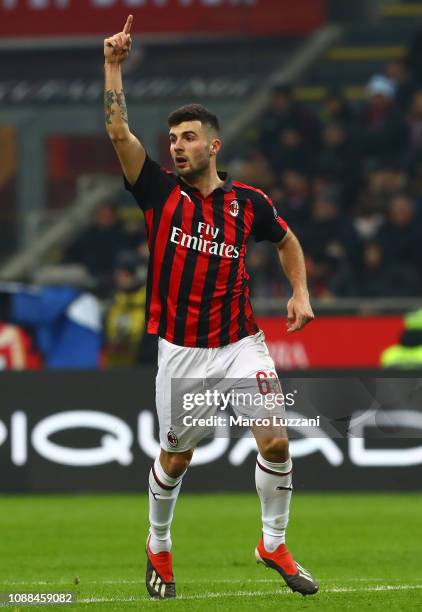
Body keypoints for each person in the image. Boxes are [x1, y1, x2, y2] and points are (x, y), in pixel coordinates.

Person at [104, 15, 318, 600]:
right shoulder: (156, 192)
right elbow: (120, 133)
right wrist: (114, 65)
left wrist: (299, 291)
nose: (176, 146)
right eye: (172, 139)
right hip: (181, 351)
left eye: (188, 137)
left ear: (213, 145)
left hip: (241, 344)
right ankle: (159, 545)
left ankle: (272, 542)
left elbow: (288, 241)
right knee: (175, 459)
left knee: (274, 441)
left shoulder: (249, 202)